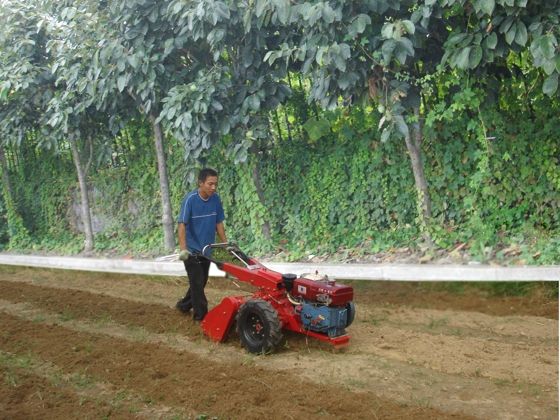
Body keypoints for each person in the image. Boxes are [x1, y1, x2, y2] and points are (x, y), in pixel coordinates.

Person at [175, 168, 227, 322]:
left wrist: (225, 244)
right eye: (210, 184)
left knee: (200, 282)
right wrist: (183, 249)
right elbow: (181, 225)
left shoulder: (215, 199)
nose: (213, 187)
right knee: (197, 283)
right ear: (200, 183)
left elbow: (218, 223)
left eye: (216, 184)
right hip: (191, 251)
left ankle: (183, 305)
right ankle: (201, 318)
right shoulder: (190, 200)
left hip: (206, 249)